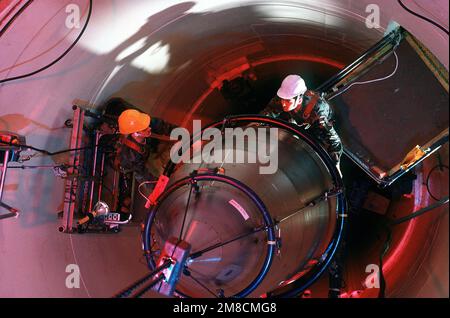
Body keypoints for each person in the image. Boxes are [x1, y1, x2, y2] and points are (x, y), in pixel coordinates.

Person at [261, 74, 343, 168]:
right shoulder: (286, 97)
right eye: (283, 99)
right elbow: (270, 110)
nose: (283, 103)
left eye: (287, 101)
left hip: (317, 127)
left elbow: (334, 141)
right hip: (299, 120)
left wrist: (335, 164)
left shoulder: (319, 112)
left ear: (299, 99)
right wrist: (256, 123)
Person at [115, 108, 176, 217]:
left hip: (148, 151)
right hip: (138, 166)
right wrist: (163, 187)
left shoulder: (141, 123)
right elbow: (143, 175)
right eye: (144, 129)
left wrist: (183, 133)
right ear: (135, 134)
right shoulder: (130, 156)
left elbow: (161, 126)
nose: (149, 128)